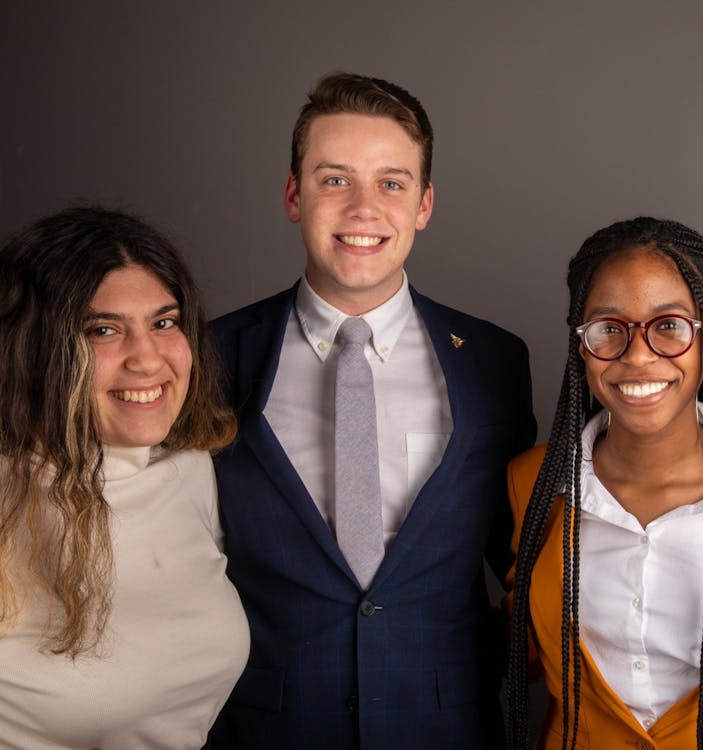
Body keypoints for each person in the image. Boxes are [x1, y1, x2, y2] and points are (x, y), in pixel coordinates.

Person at [209, 72, 536, 748]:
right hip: (264, 729)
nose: (363, 208)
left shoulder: (493, 362)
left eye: (391, 183)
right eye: (334, 180)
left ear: (424, 204)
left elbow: (523, 560)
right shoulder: (207, 358)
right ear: (294, 195)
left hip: (445, 728)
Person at [505, 217, 703, 750]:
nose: (637, 355)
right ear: (580, 345)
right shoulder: (531, 484)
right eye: (608, 328)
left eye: (670, 325)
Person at [0, 206, 249, 750]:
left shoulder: (189, 470)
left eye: (164, 322)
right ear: (36, 351)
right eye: (103, 330)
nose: (148, 359)